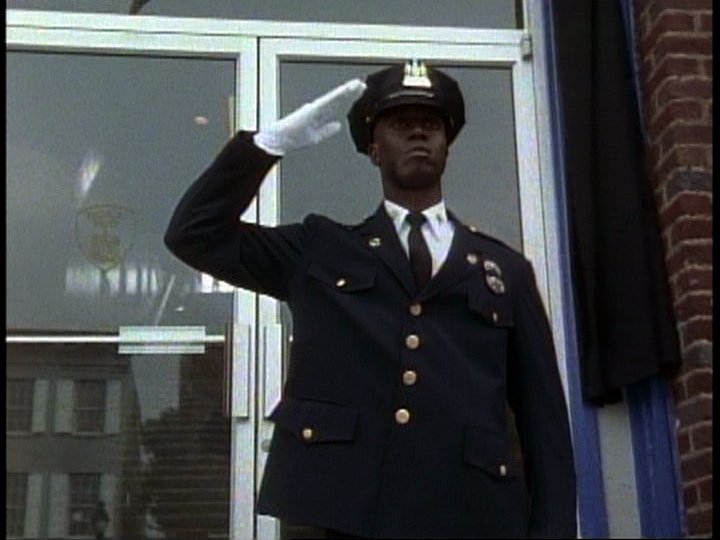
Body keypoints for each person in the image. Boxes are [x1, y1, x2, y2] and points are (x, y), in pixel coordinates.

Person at [165, 59, 576, 539]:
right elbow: (194, 235)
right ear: (374, 149)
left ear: (447, 146)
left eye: (431, 125)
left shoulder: (505, 269)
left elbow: (544, 424)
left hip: (471, 511)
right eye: (401, 124)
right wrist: (266, 146)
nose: (418, 133)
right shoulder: (321, 250)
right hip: (350, 512)